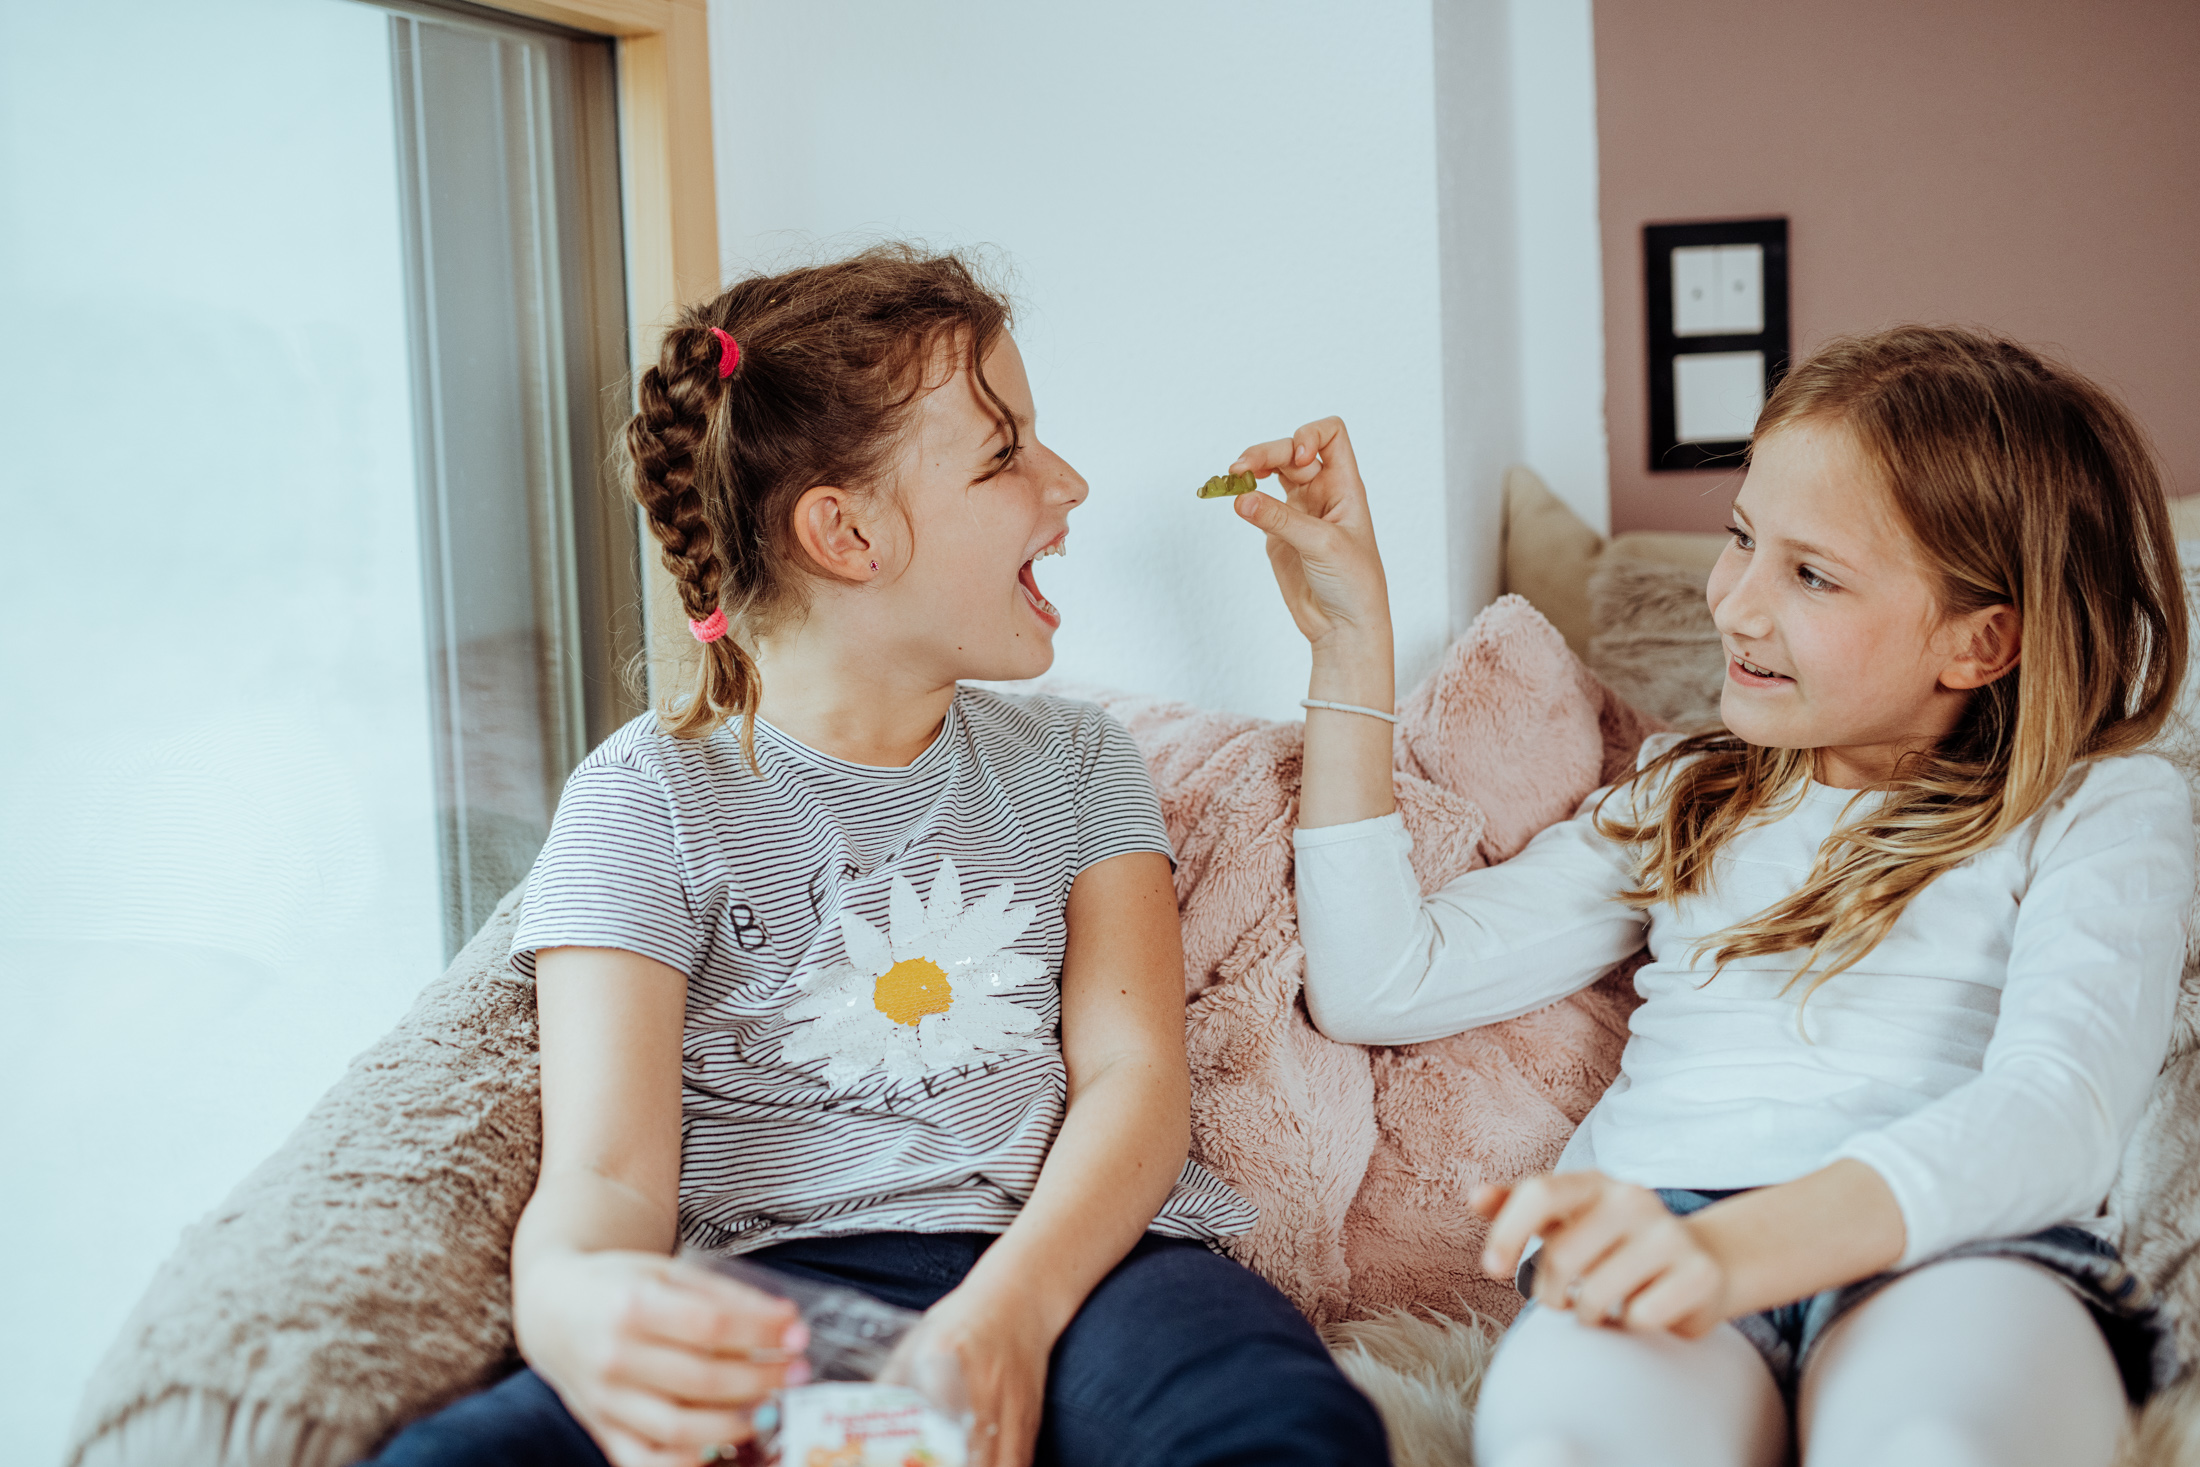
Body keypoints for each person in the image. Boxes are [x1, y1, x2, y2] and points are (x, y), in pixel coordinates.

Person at [367, 246, 1388, 1467]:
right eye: (1005, 455)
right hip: (774, 1285)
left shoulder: (1077, 763)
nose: (1065, 485)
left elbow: (1134, 1081)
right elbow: (604, 1169)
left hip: (1089, 1274)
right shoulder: (641, 800)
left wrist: (1006, 1316)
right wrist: (576, 1306)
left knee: (1285, 1429)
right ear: (845, 531)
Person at [1230, 324, 2189, 1467]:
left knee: (1939, 1443)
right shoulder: (1690, 789)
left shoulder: (2100, 805)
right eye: (1741, 537)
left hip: (1967, 1251)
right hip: (1659, 1225)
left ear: (1980, 642)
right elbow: (1382, 985)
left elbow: (2058, 1111)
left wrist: (1746, 1254)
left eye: (1811, 574)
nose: (1731, 604)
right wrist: (1350, 650)